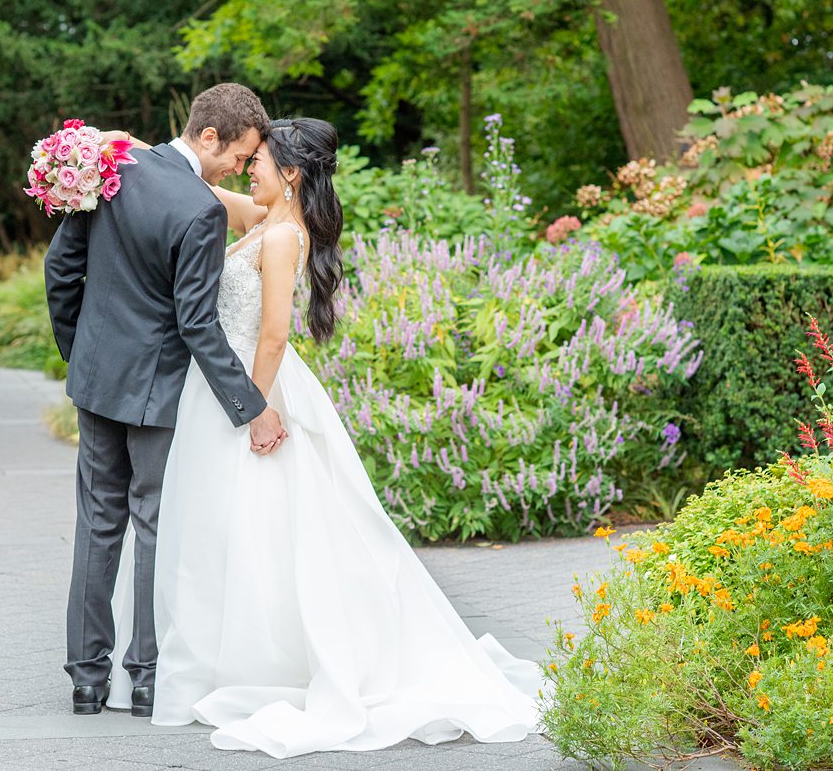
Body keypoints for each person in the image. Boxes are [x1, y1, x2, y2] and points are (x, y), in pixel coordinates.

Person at [105, 118, 541, 758]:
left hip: (251, 391)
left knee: (257, 527)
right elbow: (196, 187)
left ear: (291, 172)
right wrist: (139, 151)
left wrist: (252, 409)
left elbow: (274, 334)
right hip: (220, 388)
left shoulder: (280, 235)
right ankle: (218, 653)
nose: (249, 166)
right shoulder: (263, 216)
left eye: (260, 160)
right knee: (221, 528)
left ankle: (256, 661)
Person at [43, 83, 288, 720]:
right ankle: (146, 675)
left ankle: (86, 680)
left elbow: (61, 270)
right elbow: (196, 323)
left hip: (97, 382)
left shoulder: (112, 171)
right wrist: (251, 404)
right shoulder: (198, 211)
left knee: (98, 525)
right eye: (239, 154)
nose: (239, 166)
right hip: (157, 392)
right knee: (153, 524)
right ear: (209, 137)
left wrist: (81, 352)